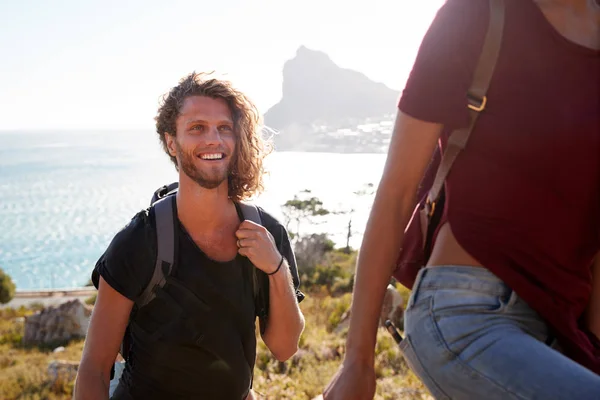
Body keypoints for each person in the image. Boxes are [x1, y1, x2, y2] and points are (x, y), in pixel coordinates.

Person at [324, 0, 600, 399]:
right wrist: (358, 362)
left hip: (563, 326)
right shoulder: (478, 14)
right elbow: (397, 192)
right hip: (466, 312)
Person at [74, 72, 306, 400]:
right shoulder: (140, 241)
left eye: (224, 128)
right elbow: (95, 369)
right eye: (197, 127)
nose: (214, 139)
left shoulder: (267, 234)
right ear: (171, 141)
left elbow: (284, 348)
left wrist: (276, 269)